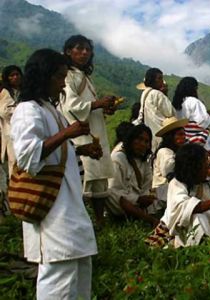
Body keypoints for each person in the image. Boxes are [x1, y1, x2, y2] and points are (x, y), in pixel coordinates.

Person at [11, 48, 99, 300]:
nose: (63, 84)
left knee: (80, 271)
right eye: (59, 77)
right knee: (58, 275)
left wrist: (81, 148)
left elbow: (55, 153)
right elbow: (28, 157)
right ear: (45, 76)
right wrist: (67, 134)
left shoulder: (49, 109)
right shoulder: (28, 110)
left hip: (68, 207)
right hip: (52, 209)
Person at [59, 34, 116, 226]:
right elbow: (70, 105)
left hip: (94, 130)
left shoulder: (84, 77)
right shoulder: (67, 75)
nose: (84, 53)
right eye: (79, 49)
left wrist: (103, 107)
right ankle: (80, 221)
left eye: (87, 50)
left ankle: (99, 221)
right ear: (68, 51)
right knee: (84, 176)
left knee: (98, 177)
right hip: (80, 133)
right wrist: (98, 103)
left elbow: (86, 104)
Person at [107, 124, 160, 226]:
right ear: (131, 140)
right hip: (120, 203)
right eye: (139, 139)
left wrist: (145, 197)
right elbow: (114, 190)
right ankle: (149, 220)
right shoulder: (118, 159)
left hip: (138, 203)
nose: (142, 144)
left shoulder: (144, 161)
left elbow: (147, 184)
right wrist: (136, 199)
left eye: (146, 141)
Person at [137, 68, 175, 151]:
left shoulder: (145, 93)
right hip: (160, 130)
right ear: (152, 79)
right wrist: (165, 95)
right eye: (159, 78)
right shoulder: (157, 94)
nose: (162, 81)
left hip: (150, 130)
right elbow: (170, 112)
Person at [152, 117, 188, 200]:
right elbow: (169, 172)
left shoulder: (175, 152)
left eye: (184, 134)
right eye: (180, 134)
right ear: (170, 137)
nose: (184, 137)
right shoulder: (164, 152)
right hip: (163, 192)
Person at [172, 77, 210, 149]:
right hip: (197, 143)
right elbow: (203, 121)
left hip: (184, 140)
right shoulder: (194, 101)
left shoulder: (177, 104)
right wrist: (208, 116)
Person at [0, 65, 23, 175]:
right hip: (11, 130)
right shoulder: (5, 92)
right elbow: (4, 111)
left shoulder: (23, 90)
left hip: (23, 128)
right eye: (11, 75)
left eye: (17, 74)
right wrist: (21, 109)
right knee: (13, 159)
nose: (15, 77)